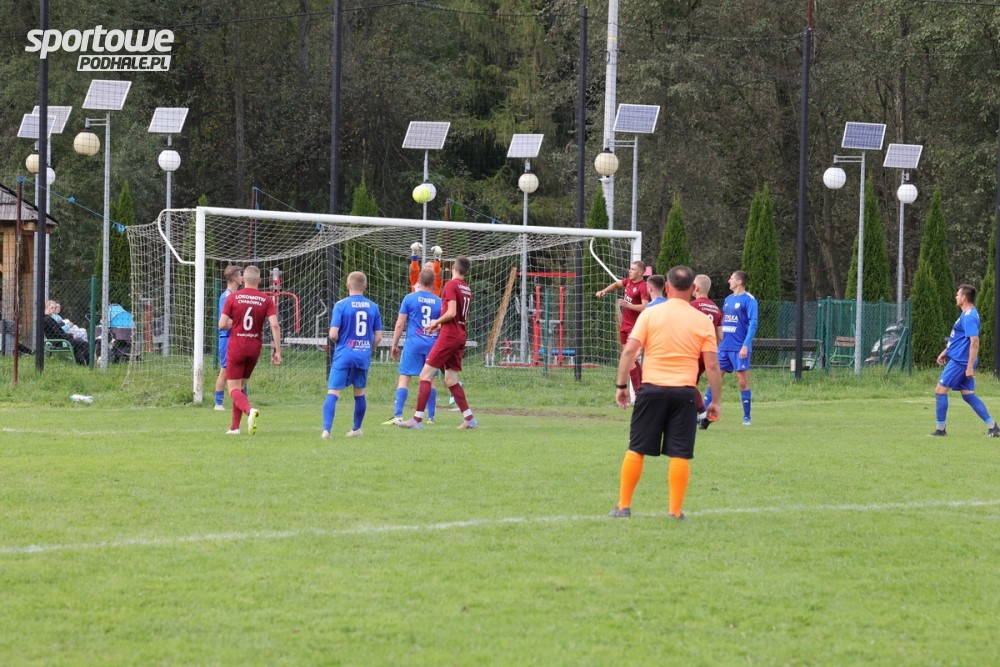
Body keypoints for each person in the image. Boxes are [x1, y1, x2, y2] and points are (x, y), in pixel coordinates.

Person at [608, 265, 722, 520]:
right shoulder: (702, 321)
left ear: (667, 287)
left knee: (637, 448)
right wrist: (715, 400)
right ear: (693, 289)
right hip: (684, 393)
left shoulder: (651, 314)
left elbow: (629, 351)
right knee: (680, 453)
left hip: (651, 390)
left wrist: (621, 386)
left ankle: (623, 507)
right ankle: (675, 511)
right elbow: (713, 365)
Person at [400, 256, 478, 430]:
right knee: (451, 379)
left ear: (453, 267)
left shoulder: (451, 285)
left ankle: (417, 420)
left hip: (449, 336)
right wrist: (439, 325)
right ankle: (469, 419)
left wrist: (436, 322)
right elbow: (456, 316)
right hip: (460, 334)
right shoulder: (466, 288)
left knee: (425, 375)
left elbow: (451, 312)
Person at [218, 265, 282, 435]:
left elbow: (222, 324)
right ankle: (234, 428)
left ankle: (249, 410)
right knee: (240, 387)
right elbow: (275, 325)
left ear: (243, 279)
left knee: (233, 389)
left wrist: (236, 324)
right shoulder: (266, 300)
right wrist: (277, 351)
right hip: (254, 348)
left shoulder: (233, 297)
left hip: (237, 347)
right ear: (259, 280)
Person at [930, 284, 1000, 437]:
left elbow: (974, 342)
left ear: (964, 298)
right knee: (968, 394)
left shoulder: (969, 317)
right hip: (961, 359)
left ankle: (940, 430)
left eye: (958, 294)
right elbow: (960, 339)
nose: (956, 297)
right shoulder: (966, 314)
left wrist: (969, 367)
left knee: (940, 391)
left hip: (961, 362)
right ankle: (993, 427)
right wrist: (945, 352)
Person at [322, 271, 383, 439]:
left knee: (333, 392)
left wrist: (341, 341)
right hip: (362, 355)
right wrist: (369, 349)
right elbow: (378, 336)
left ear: (347, 285)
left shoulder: (341, 305)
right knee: (359, 393)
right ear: (365, 286)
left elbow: (333, 334)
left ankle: (326, 430)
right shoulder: (373, 306)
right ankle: (356, 429)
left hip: (344, 354)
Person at [383, 268, 442, 426]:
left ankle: (398, 415)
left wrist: (394, 344)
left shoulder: (409, 298)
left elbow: (400, 323)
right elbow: (442, 325)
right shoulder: (439, 301)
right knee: (430, 379)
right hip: (432, 345)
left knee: (404, 377)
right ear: (433, 283)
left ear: (419, 281)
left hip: (413, 344)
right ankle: (431, 418)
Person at [703, 270, 757, 426]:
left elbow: (753, 324)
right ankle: (702, 415)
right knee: (713, 379)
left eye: (732, 278)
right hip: (724, 347)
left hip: (739, 348)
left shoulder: (749, 300)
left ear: (739, 282)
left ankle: (747, 417)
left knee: (742, 382)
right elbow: (723, 323)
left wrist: (745, 345)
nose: (729, 280)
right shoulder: (728, 300)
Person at [595, 260, 649, 397]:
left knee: (629, 358)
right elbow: (616, 284)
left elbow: (645, 307)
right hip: (624, 325)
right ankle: (643, 389)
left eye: (633, 269)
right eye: (630, 268)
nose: (629, 271)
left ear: (640, 272)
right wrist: (604, 291)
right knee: (630, 359)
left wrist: (627, 305)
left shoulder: (643, 287)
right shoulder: (628, 281)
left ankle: (639, 392)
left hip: (635, 327)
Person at [690, 274, 724, 428]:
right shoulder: (716, 308)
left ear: (696, 288)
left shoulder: (693, 306)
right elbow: (720, 335)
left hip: (694, 351)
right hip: (708, 352)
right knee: (691, 383)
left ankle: (702, 414)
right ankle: (693, 415)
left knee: (686, 383)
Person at [214, 265, 243, 411]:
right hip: (227, 338)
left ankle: (242, 402)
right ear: (234, 278)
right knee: (225, 371)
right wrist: (240, 323)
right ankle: (218, 403)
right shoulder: (226, 297)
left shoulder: (237, 296)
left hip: (238, 338)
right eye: (240, 275)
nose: (242, 277)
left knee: (242, 372)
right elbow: (223, 323)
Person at [43, 300, 90, 365]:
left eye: (55, 308)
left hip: (59, 340)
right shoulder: (48, 319)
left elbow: (58, 332)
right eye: (52, 308)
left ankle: (80, 363)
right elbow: (59, 333)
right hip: (60, 341)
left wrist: (70, 335)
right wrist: (71, 336)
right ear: (47, 308)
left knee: (78, 342)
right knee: (85, 344)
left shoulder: (46, 318)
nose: (54, 309)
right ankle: (89, 364)